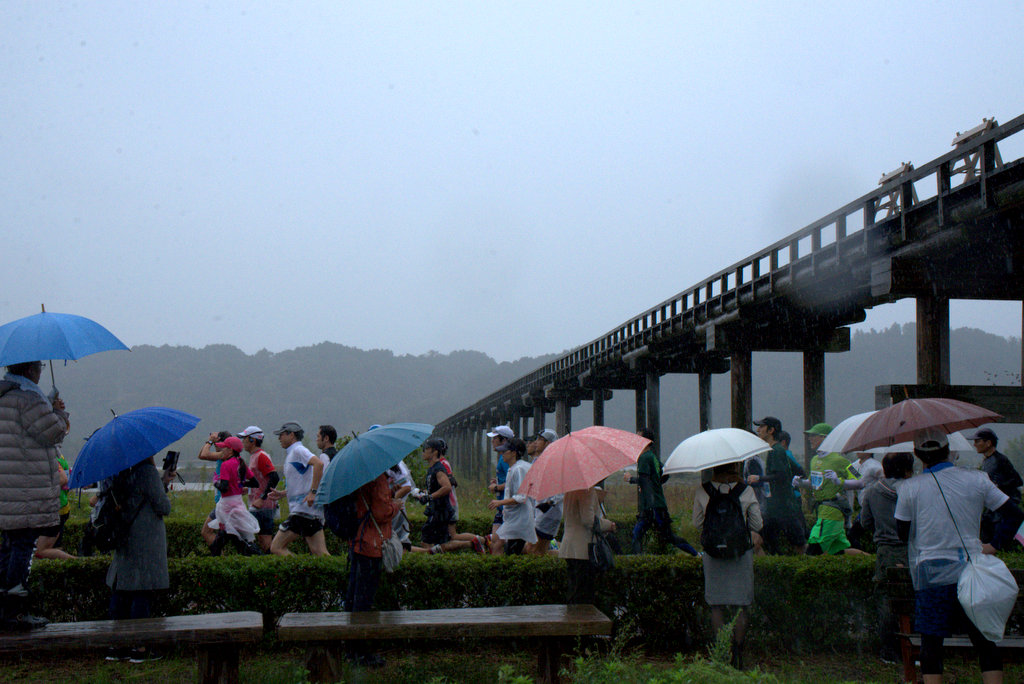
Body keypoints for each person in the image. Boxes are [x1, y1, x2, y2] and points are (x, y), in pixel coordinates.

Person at [895, 428, 1022, 684]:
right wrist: (994, 544)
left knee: (932, 641)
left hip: (930, 573)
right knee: (984, 639)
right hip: (971, 569)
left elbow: (902, 532)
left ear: (917, 455)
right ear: (949, 451)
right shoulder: (977, 479)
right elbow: (1014, 514)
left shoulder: (909, 488)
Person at [0, 359, 70, 630]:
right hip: (26, 490)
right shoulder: (28, 398)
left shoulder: (5, 396)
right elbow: (52, 433)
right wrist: (59, 413)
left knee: (9, 544)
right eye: (39, 366)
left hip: (8, 491)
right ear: (30, 370)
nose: (41, 370)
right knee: (23, 545)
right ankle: (15, 612)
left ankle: (5, 609)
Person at [106, 456, 177, 662]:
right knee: (142, 589)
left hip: (125, 535)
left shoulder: (121, 471)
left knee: (122, 589)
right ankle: (140, 647)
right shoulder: (146, 471)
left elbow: (137, 497)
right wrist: (161, 484)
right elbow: (163, 507)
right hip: (145, 538)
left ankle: (116, 645)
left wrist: (161, 481)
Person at [693, 461, 762, 671]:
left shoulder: (703, 490)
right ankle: (738, 654)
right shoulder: (746, 490)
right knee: (741, 604)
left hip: (713, 555)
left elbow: (697, 524)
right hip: (739, 553)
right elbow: (757, 525)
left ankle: (721, 652)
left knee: (717, 604)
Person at [344, 465, 401, 667]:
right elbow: (380, 512)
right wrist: (395, 505)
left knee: (353, 597)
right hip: (372, 544)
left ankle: (351, 649)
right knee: (364, 601)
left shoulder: (360, 474)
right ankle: (363, 653)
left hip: (358, 542)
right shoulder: (378, 478)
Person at [860, 451, 913, 663]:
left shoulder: (873, 491)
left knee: (886, 601)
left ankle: (889, 651)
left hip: (885, 552)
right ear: (907, 470)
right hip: (911, 550)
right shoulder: (912, 490)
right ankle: (913, 649)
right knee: (913, 599)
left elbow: (865, 522)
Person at [793, 423, 865, 556]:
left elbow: (860, 481)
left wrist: (839, 481)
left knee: (813, 550)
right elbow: (813, 482)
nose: (810, 438)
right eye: (810, 435)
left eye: (814, 435)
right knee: (837, 552)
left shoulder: (840, 460)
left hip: (832, 512)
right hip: (821, 511)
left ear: (826, 438)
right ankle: (869, 562)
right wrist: (800, 482)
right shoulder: (814, 460)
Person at [625, 428, 697, 556]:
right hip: (658, 504)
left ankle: (636, 563)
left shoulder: (644, 458)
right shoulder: (652, 457)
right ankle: (696, 554)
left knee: (637, 535)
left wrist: (630, 479)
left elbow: (644, 479)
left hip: (651, 507)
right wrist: (652, 485)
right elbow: (664, 475)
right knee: (669, 536)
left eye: (638, 437)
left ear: (645, 441)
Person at [410, 438, 483, 554]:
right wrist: (422, 494)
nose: (423, 452)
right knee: (439, 543)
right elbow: (435, 488)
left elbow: (447, 487)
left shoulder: (438, 468)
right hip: (436, 510)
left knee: (432, 542)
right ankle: (472, 543)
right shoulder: (432, 469)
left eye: (426, 449)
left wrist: (430, 497)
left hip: (440, 511)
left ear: (434, 452)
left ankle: (472, 543)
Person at [747, 417, 805, 555]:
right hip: (776, 507)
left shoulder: (777, 451)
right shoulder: (774, 450)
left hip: (783, 508)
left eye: (761, 427)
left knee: (799, 544)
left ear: (771, 430)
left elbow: (781, 476)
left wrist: (759, 478)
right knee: (761, 540)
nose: (758, 430)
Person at [269, 422, 329, 556]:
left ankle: (301, 571)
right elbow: (302, 481)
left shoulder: (298, 450)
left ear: (292, 435)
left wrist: (313, 493)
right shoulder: (293, 453)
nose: (279, 438)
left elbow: (318, 464)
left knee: (276, 547)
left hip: (302, 511)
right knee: (320, 553)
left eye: (282, 434)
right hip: (309, 511)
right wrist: (283, 493)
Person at [559, 486, 614, 604]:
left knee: (574, 590)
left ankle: (572, 620)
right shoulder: (587, 490)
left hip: (569, 547)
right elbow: (588, 520)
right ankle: (581, 621)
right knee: (583, 594)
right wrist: (608, 525)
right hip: (583, 548)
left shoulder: (570, 491)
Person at [207, 436, 261, 556]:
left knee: (232, 536)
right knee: (229, 535)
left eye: (224, 448)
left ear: (230, 450)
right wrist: (239, 484)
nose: (222, 451)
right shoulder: (241, 463)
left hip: (226, 506)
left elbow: (224, 487)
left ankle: (256, 556)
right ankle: (215, 557)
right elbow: (254, 483)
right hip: (238, 503)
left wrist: (216, 482)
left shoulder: (226, 465)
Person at [969, 427, 1023, 546]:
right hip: (992, 508)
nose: (975, 444)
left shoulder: (1000, 460)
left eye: (978, 441)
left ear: (988, 443)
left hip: (1003, 508)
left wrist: (998, 486)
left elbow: (1017, 481)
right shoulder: (986, 461)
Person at [487, 437, 536, 555]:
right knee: (507, 548)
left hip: (519, 520)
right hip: (516, 519)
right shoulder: (516, 467)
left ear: (514, 453)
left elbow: (521, 497)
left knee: (509, 550)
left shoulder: (518, 469)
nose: (501, 454)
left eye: (504, 452)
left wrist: (500, 502)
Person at [239, 426, 279, 553]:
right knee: (263, 541)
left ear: (252, 440)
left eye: (244, 438)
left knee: (245, 535)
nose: (242, 442)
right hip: (258, 503)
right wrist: (248, 488)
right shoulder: (254, 456)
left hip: (262, 506)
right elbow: (260, 480)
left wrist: (262, 498)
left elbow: (274, 477)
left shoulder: (261, 456)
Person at [525, 429, 563, 556]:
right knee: (539, 549)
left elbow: (561, 487)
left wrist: (550, 502)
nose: (536, 442)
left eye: (540, 440)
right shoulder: (541, 460)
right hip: (541, 509)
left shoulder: (554, 461)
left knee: (533, 548)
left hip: (548, 511)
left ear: (548, 443)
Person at [35, 448, 74, 560]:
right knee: (51, 548)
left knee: (40, 551)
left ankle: (81, 563)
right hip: (59, 507)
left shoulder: (50, 456)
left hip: (55, 509)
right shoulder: (57, 454)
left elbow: (63, 479)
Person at [197, 430, 233, 548]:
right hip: (222, 502)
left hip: (224, 503)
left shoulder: (225, 454)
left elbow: (204, 454)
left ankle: (220, 559)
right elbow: (201, 455)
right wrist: (210, 442)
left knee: (206, 532)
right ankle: (221, 558)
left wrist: (210, 441)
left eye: (218, 443)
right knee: (222, 535)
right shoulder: (221, 456)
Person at [843, 451, 885, 549]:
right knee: (852, 535)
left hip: (876, 507)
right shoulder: (854, 465)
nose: (858, 451)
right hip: (864, 507)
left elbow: (884, 478)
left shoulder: (874, 465)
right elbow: (853, 480)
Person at [486, 425, 514, 554]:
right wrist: (497, 482)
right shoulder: (503, 458)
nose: (492, 441)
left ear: (504, 440)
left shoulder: (505, 459)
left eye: (494, 439)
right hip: (501, 507)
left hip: (506, 506)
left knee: (498, 545)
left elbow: (512, 482)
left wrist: (496, 487)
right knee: (496, 543)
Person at [386, 460, 414, 550]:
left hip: (395, 510)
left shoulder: (395, 465)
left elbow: (407, 487)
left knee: (401, 544)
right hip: (387, 510)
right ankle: (431, 551)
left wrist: (392, 500)